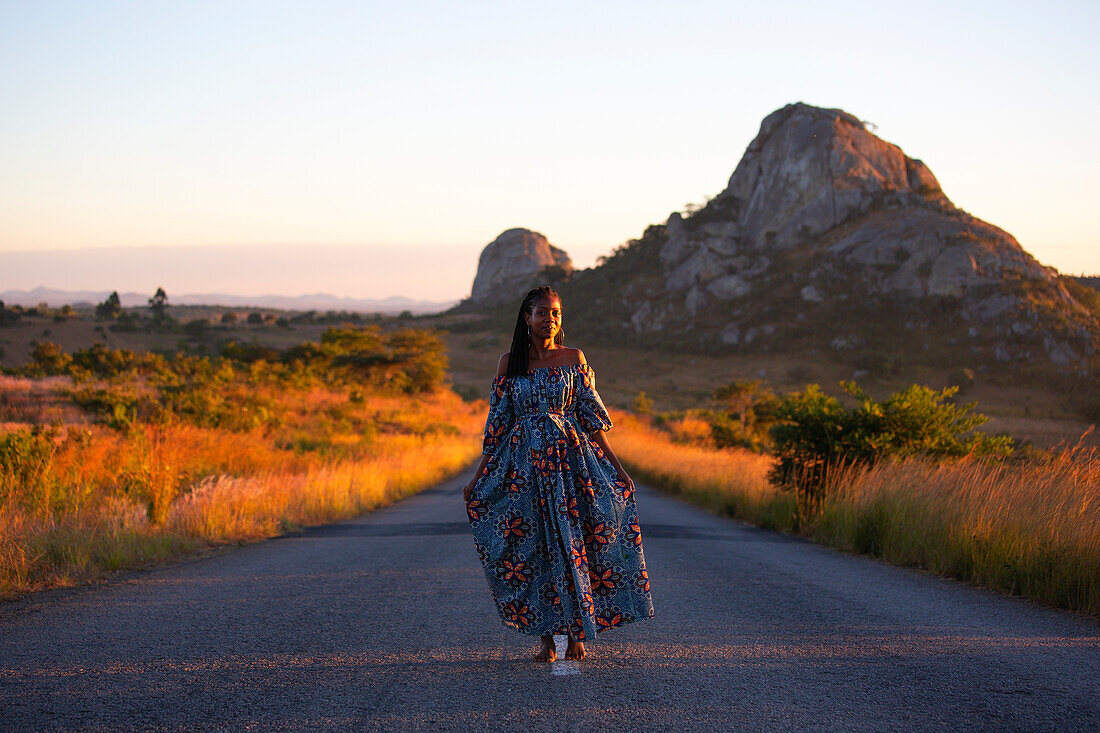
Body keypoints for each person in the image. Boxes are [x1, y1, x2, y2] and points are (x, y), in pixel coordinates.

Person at [463, 286, 654, 662]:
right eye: (542, 313)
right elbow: (497, 427)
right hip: (523, 471)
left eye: (556, 314)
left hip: (571, 467)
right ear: (526, 318)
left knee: (572, 547)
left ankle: (577, 631)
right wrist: (476, 478)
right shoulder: (509, 363)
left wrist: (618, 468)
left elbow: (591, 419)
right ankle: (547, 638)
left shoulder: (573, 358)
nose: (549, 319)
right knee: (534, 550)